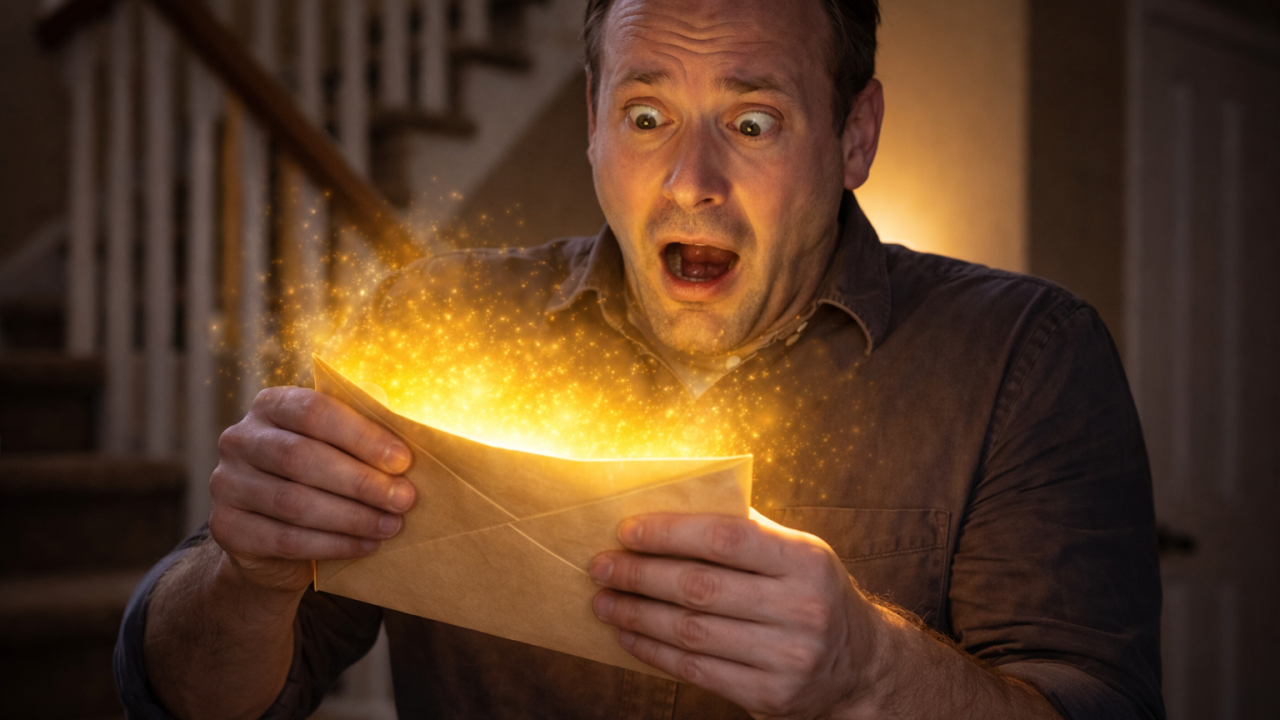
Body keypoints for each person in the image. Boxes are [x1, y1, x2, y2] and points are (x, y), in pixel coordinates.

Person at [116, 1, 1164, 718]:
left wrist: (864, 670)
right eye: (646, 116)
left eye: (751, 122)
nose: (689, 181)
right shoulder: (434, 326)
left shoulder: (1024, 361)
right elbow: (192, 699)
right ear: (590, 123)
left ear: (853, 137)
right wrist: (246, 576)